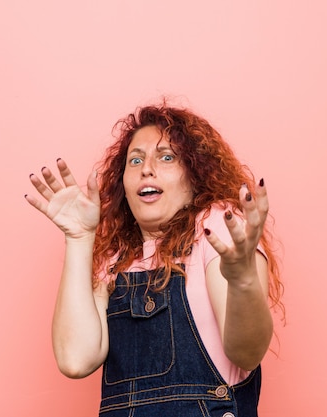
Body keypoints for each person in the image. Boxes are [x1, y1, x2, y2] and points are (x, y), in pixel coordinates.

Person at [24, 102, 284, 417]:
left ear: (194, 175)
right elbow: (75, 360)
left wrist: (243, 282)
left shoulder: (216, 227)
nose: (147, 168)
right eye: (135, 160)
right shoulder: (113, 259)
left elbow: (247, 354)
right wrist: (79, 238)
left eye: (166, 157)